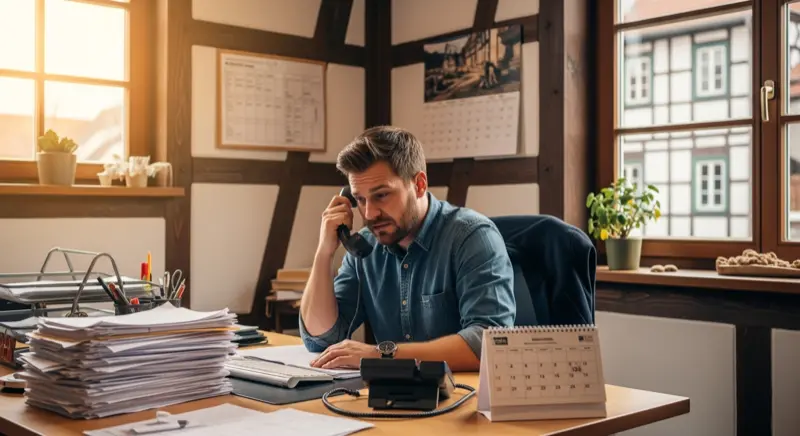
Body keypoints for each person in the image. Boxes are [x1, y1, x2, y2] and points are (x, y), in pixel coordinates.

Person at [299, 126, 516, 372]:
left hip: (462, 397)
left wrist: (381, 355)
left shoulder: (472, 237)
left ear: (420, 184)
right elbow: (321, 339)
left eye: (381, 195)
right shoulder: (365, 247)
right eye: (360, 199)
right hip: (394, 397)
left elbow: (489, 342)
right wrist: (324, 252)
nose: (369, 214)